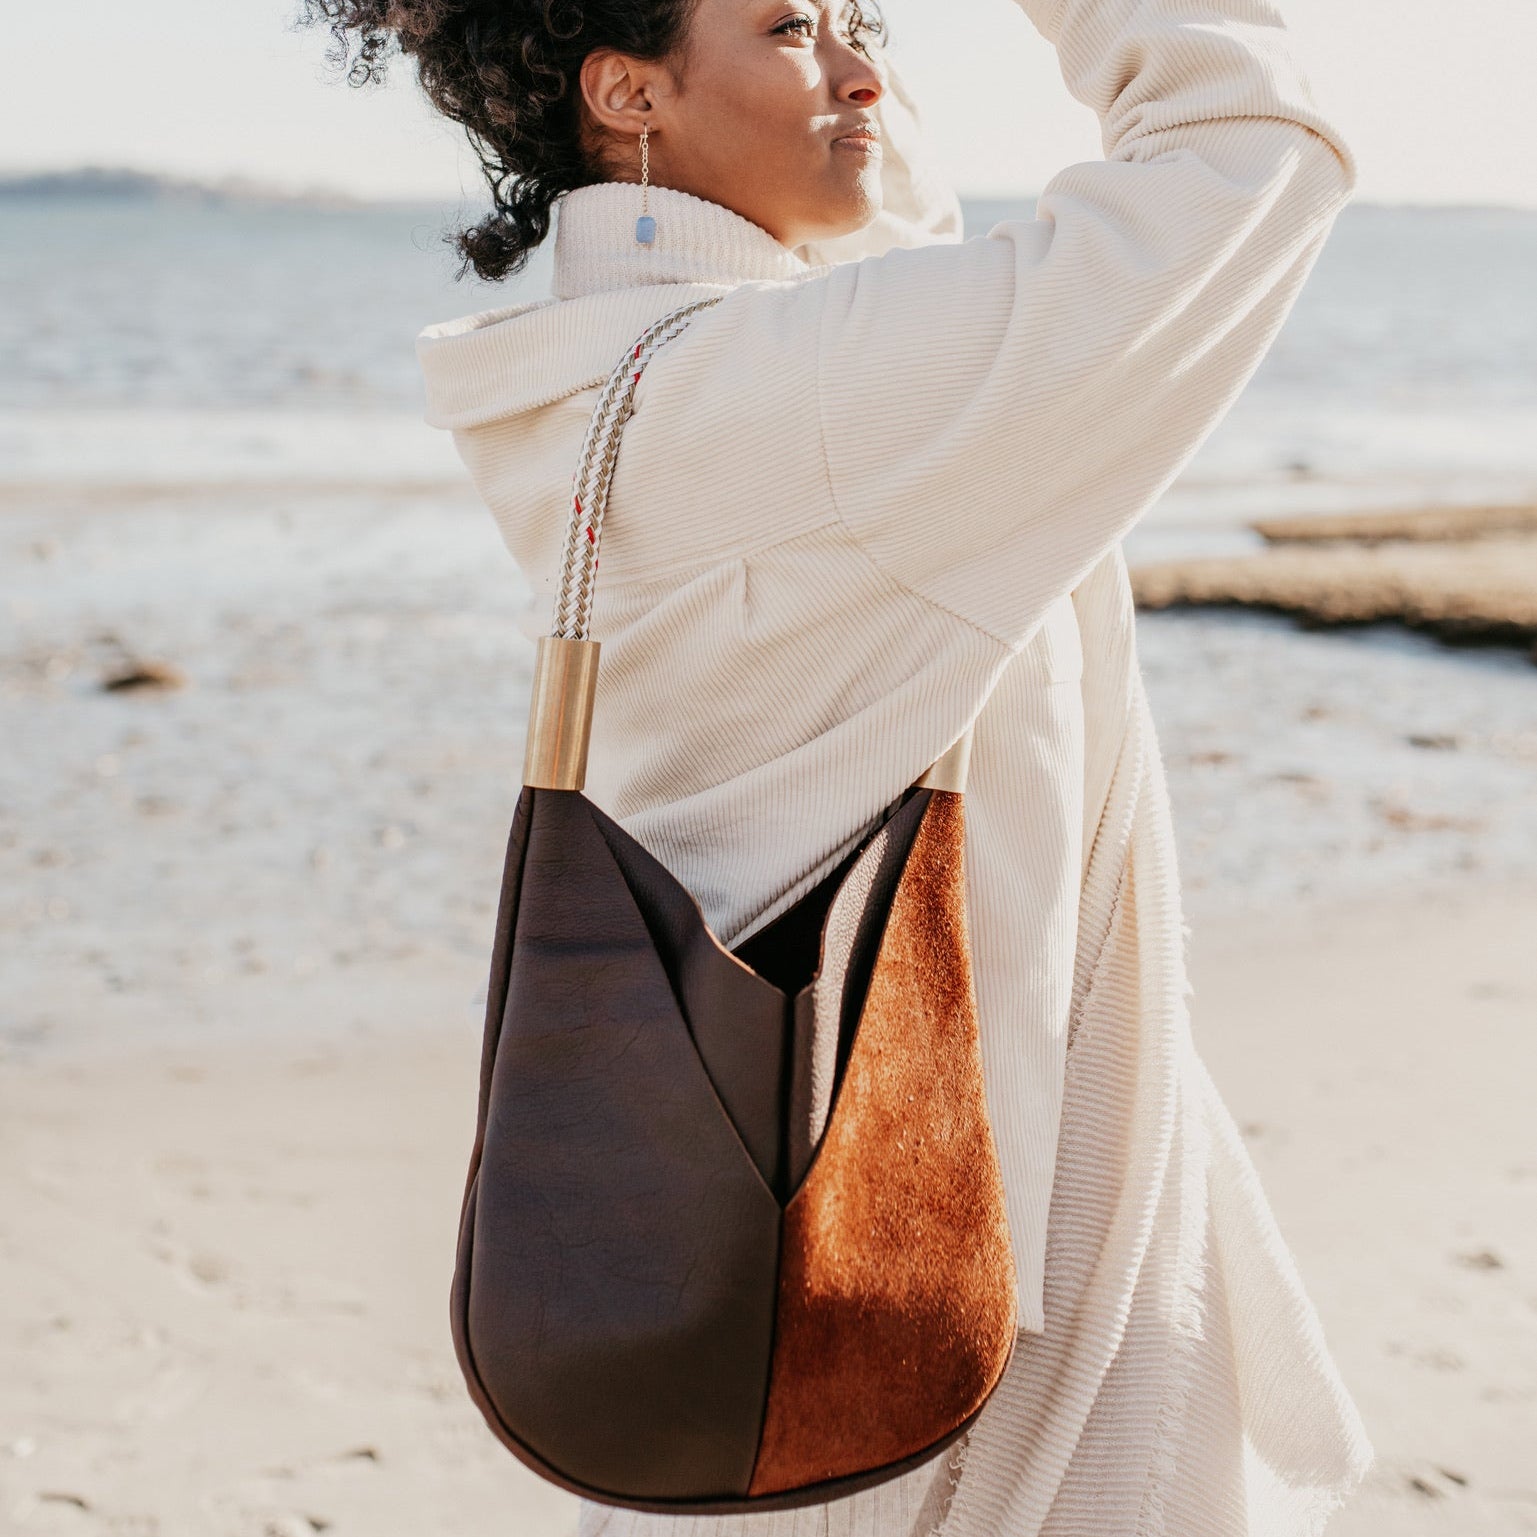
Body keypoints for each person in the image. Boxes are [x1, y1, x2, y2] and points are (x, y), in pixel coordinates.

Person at [307, 0, 1373, 1531]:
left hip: (781, 1223)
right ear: (627, 89)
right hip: (938, 1247)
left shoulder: (626, 374)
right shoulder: (808, 399)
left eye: (864, 19)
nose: (866, 67)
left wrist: (813, 43)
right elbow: (1247, 147)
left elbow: (900, 223)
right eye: (798, 26)